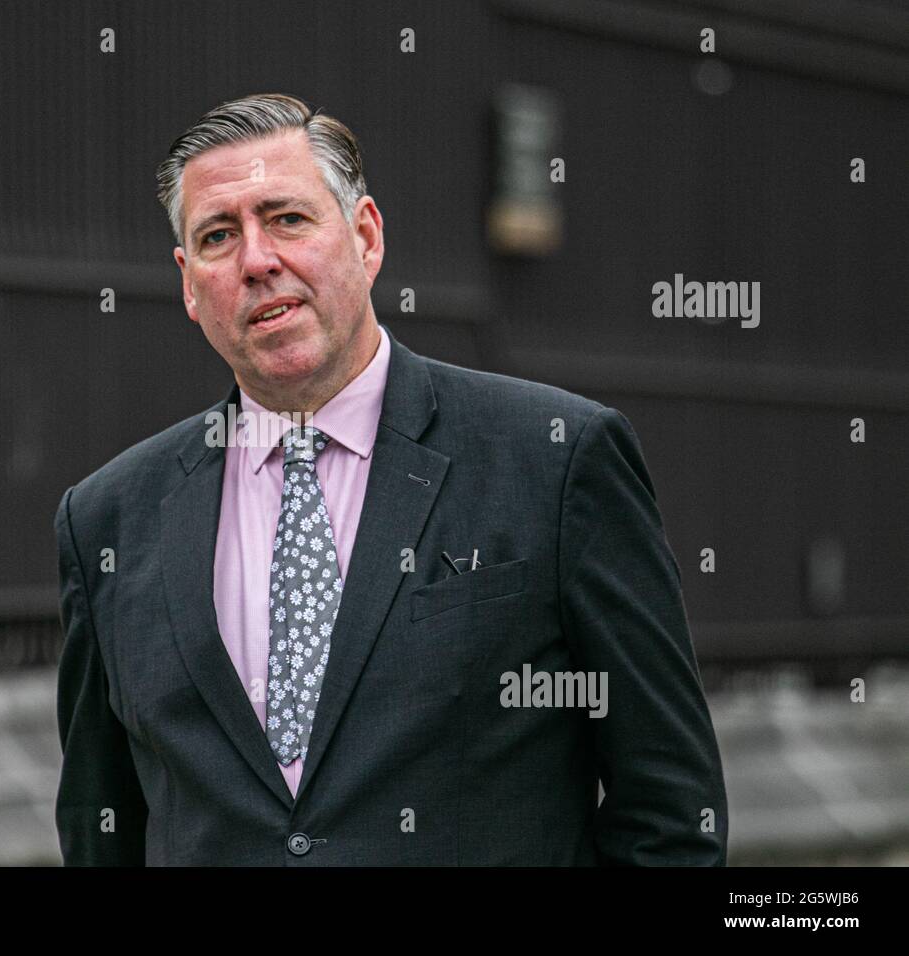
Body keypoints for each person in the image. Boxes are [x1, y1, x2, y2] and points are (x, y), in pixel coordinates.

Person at [52, 92, 728, 865]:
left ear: (366, 237)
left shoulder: (555, 459)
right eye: (218, 236)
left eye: (288, 219)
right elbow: (99, 829)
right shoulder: (106, 520)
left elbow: (673, 816)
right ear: (189, 283)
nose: (257, 260)